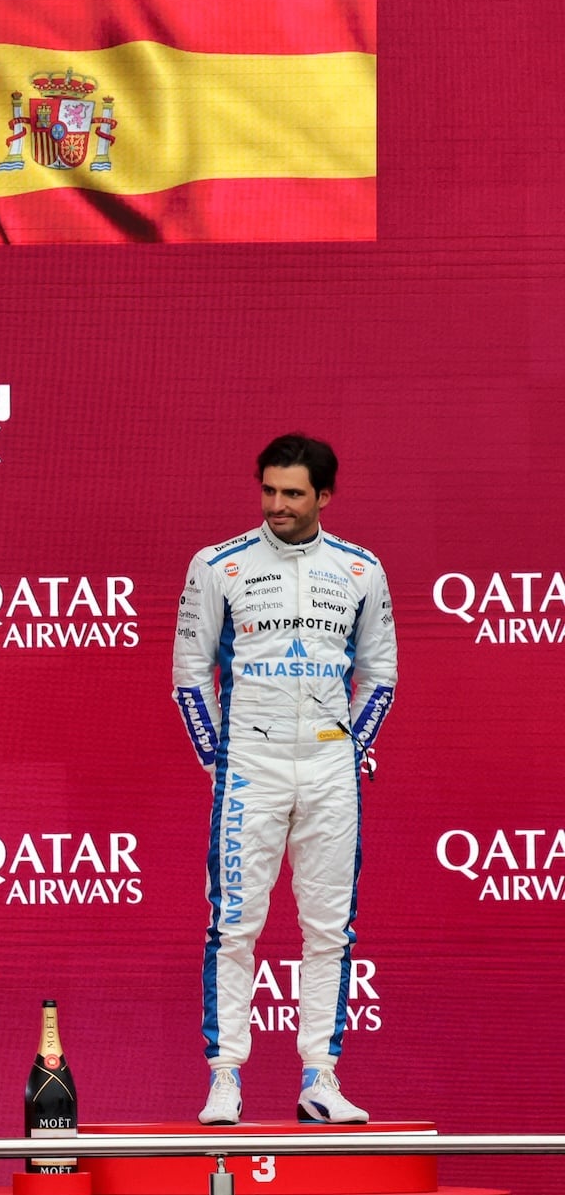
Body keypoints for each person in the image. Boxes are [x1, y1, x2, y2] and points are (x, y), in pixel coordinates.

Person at [174, 434, 395, 1126]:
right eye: (269, 490)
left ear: (324, 496)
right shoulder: (219, 564)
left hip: (330, 769)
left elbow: (380, 674)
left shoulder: (361, 571)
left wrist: (347, 751)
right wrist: (223, 757)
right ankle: (225, 1077)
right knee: (233, 924)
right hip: (251, 767)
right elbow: (190, 672)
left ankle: (320, 1077)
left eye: (293, 493)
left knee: (330, 928)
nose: (277, 505)